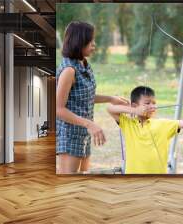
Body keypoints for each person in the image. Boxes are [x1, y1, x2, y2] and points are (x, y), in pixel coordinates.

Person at [56, 21, 128, 174]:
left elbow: (83, 96)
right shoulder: (69, 70)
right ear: (79, 41)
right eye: (90, 41)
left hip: (84, 133)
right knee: (70, 186)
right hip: (70, 135)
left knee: (83, 182)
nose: (94, 44)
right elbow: (58, 109)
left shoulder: (84, 64)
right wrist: (90, 125)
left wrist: (110, 98)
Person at [107, 86, 183, 174]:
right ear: (135, 105)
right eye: (147, 103)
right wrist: (134, 110)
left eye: (154, 103)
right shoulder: (128, 124)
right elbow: (110, 109)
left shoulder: (162, 124)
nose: (152, 106)